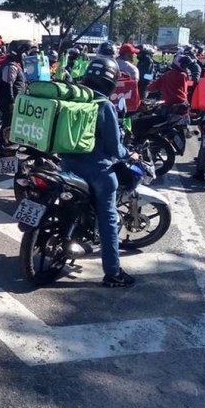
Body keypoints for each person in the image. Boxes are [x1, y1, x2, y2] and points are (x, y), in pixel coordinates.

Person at [62, 57, 139, 287]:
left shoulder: (73, 98)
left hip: (67, 165)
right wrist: (129, 154)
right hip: (98, 172)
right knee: (109, 219)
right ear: (111, 81)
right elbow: (115, 147)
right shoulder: (104, 105)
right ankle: (113, 273)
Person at [0, 41, 29, 132]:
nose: (24, 56)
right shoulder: (10, 66)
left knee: (12, 124)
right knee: (8, 124)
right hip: (9, 101)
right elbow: (7, 84)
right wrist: (11, 101)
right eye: (23, 53)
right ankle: (3, 144)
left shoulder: (14, 64)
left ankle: (7, 142)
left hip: (14, 100)